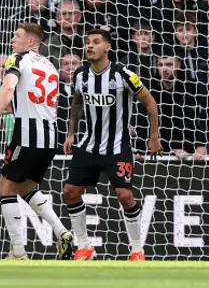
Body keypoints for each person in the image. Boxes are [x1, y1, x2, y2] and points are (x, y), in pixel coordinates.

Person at [63, 29, 162, 261]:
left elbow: (150, 103)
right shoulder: (80, 75)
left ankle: (137, 250)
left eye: (96, 42)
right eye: (87, 43)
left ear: (107, 47)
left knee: (125, 195)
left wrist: (154, 136)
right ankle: (85, 246)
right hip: (88, 146)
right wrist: (71, 134)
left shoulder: (124, 74)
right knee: (70, 191)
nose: (90, 46)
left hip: (117, 147)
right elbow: (76, 103)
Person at [0, 23, 74, 260]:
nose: (12, 39)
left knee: (7, 186)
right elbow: (36, 99)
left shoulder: (17, 59)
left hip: (27, 135)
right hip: (50, 137)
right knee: (26, 187)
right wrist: (10, 110)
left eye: (17, 35)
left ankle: (18, 252)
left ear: (31, 42)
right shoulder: (50, 66)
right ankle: (61, 230)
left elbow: (8, 86)